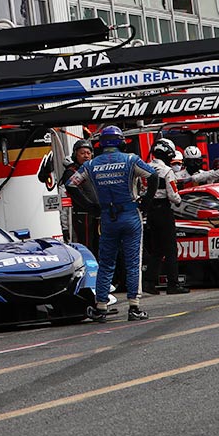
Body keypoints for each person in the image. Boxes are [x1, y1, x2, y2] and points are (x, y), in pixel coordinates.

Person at [65, 126, 160, 323]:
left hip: (107, 217)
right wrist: (146, 203)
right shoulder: (131, 159)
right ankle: (134, 307)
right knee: (133, 261)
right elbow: (153, 176)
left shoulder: (91, 164)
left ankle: (100, 307)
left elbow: (71, 184)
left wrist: (90, 207)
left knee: (106, 262)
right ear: (121, 142)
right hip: (130, 214)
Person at [142, 139, 187, 296]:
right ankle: (173, 285)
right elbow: (174, 197)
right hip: (163, 211)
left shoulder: (144, 167)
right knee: (170, 249)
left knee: (156, 249)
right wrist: (180, 199)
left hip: (150, 211)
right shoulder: (167, 171)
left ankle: (149, 282)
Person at [59, 140, 99, 253]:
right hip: (82, 215)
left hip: (98, 214)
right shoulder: (71, 172)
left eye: (88, 153)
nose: (86, 155)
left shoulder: (94, 170)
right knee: (86, 246)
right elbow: (73, 192)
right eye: (82, 153)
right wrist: (90, 206)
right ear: (75, 154)